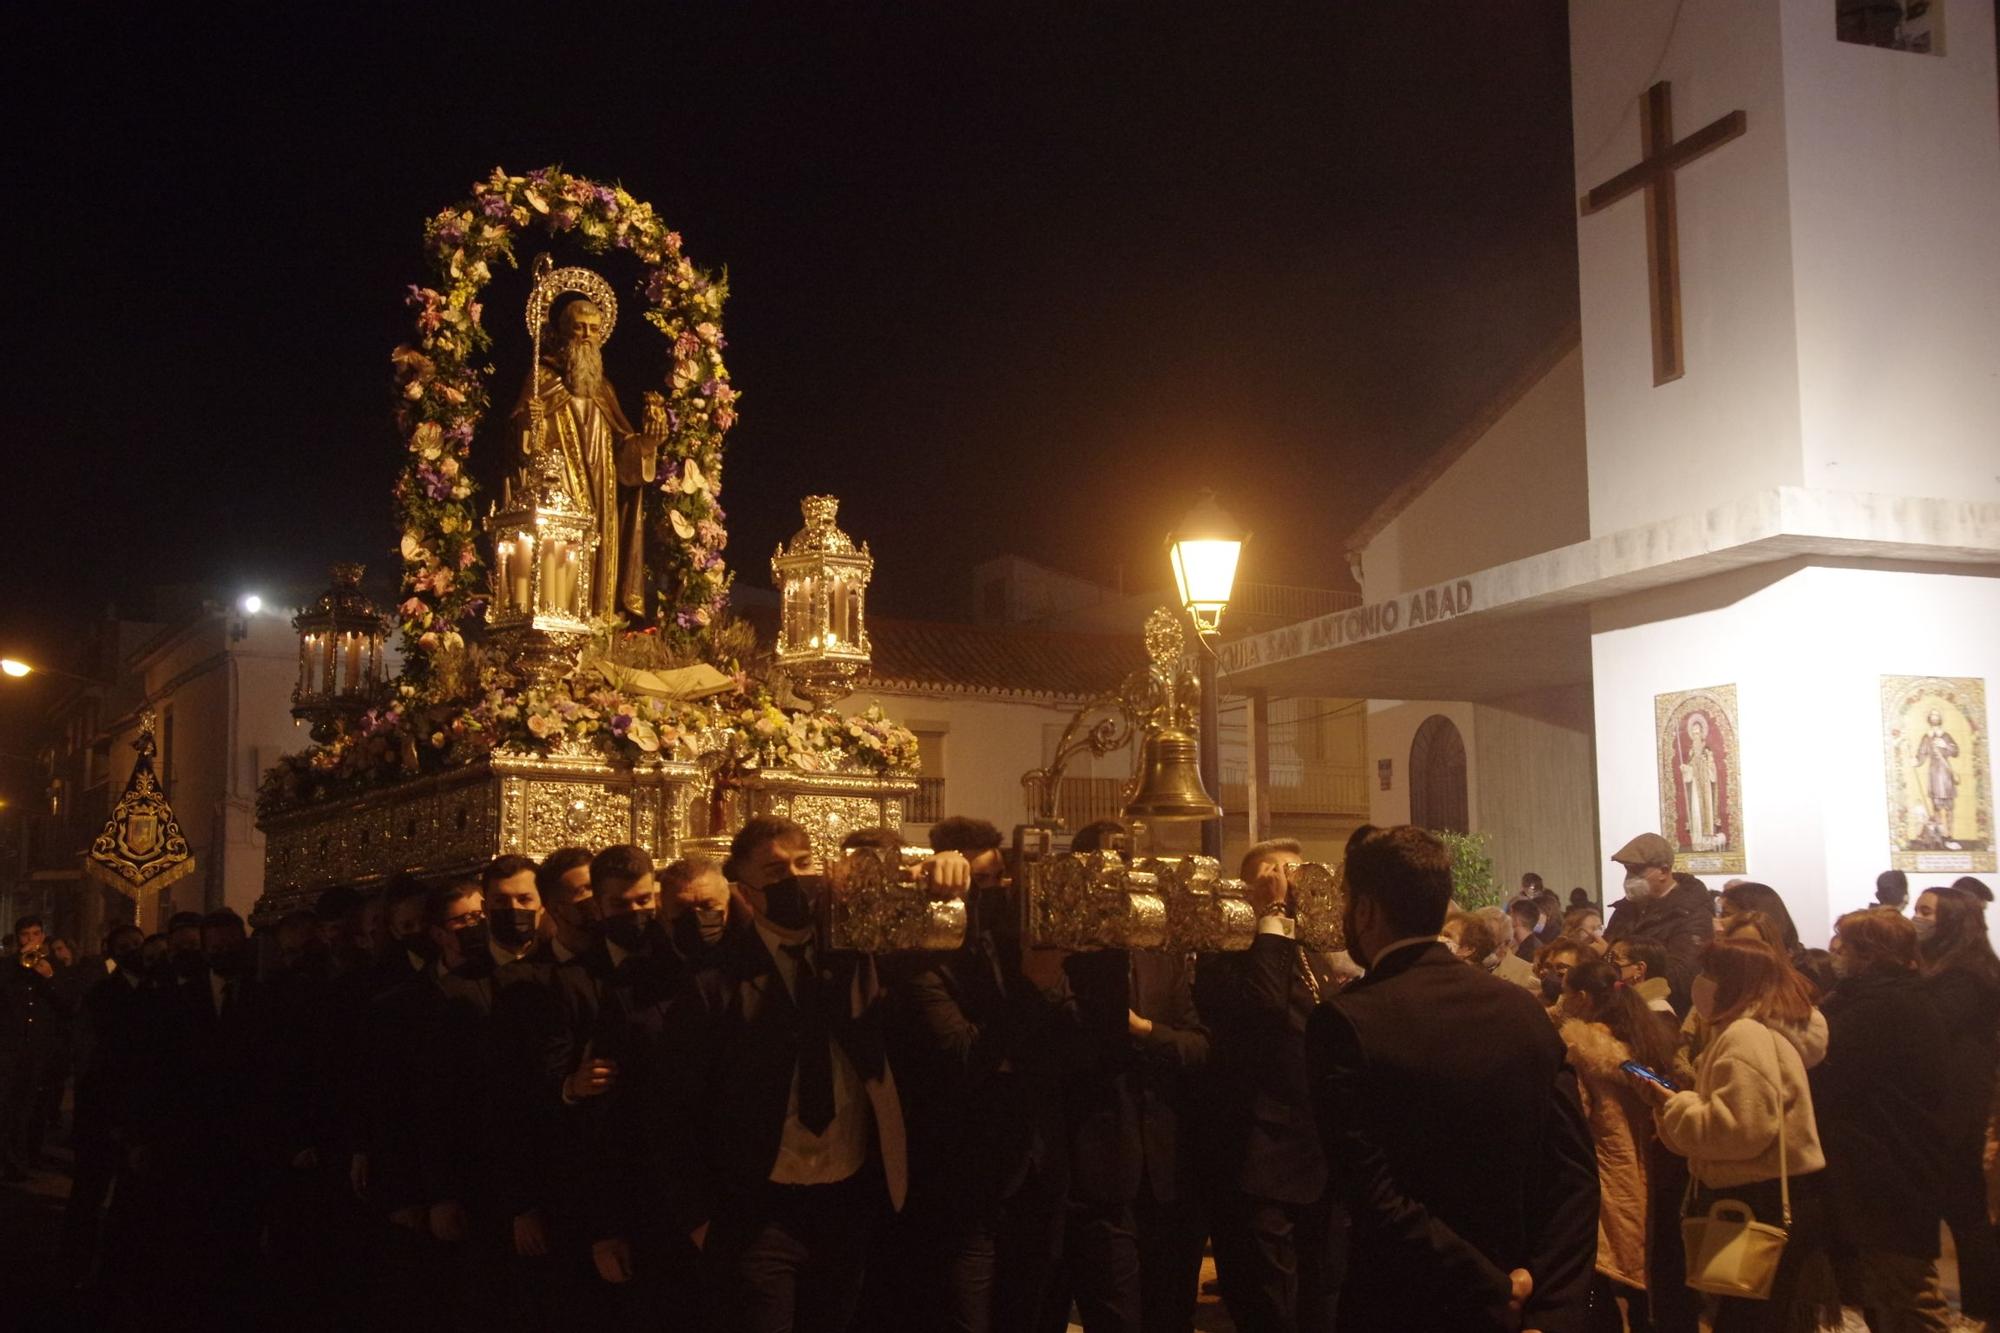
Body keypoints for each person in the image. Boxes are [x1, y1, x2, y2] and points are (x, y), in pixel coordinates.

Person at [1307, 825, 1597, 1332]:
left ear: (1367, 911)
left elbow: (1375, 1196)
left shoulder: (1347, 1022)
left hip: (1407, 1303)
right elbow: (1572, 1172)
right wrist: (1543, 1295)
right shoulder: (1521, 1010)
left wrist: (1491, 1286)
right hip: (1521, 1297)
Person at [657, 815, 906, 1332]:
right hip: (758, 1211)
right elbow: (673, 1109)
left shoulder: (854, 956)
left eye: (804, 862)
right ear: (745, 890)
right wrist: (699, 1219)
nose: (795, 878)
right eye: (774, 870)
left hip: (846, 1196)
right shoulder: (715, 984)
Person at [879, 815, 1068, 1333]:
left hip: (1034, 1165)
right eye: (978, 882)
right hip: (965, 1180)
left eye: (997, 879)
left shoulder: (1019, 943)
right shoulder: (924, 961)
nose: (994, 893)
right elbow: (966, 1057)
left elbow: (1060, 1039)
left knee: (1030, 1310)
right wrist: (1029, 996)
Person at [1646, 936, 1834, 1333]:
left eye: (1709, 972)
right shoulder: (1753, 1027)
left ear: (1732, 980)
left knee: (1747, 1320)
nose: (1699, 981)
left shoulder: (1744, 1034)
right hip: (1772, 1193)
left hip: (1754, 1197)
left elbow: (1740, 1129)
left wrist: (1675, 1106)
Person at [1195, 838, 1336, 1333]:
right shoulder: (1226, 956)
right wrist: (1271, 913)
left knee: (1321, 1304)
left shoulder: (1313, 951)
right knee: (1272, 1308)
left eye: (1295, 873)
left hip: (1320, 1156)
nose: (1288, 882)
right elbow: (1266, 1008)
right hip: (1262, 1161)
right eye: (1274, 874)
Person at [1813, 909, 1953, 1331]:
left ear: (1869, 953)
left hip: (1892, 1166)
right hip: (1874, 1164)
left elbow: (1832, 1068)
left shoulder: (1888, 1003)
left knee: (1907, 1292)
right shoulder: (1873, 996)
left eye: (1845, 942)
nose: (1836, 949)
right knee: (1882, 1289)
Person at [1556, 956, 1683, 1332]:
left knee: (1598, 1277)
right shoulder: (1643, 1040)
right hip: (1650, 1167)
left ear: (1580, 997)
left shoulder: (1581, 1049)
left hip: (1602, 1171)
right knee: (1645, 1276)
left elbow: (1576, 1114)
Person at [1915, 885, 2000, 1320]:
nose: (1917, 918)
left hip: (1956, 1107)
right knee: (1964, 1210)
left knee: (1966, 1212)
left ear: (1948, 921)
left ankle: (1983, 1305)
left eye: (1926, 912)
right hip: (1950, 1104)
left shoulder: (1965, 976)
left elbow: (1934, 1029)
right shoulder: (1953, 970)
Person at [1603, 833, 1712, 1014]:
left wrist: (1622, 961)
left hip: (1664, 1012)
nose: (1630, 878)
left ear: (1663, 871)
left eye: (1637, 871)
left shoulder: (1691, 913)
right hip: (1624, 1008)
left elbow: (1683, 977)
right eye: (1627, 870)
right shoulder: (1625, 910)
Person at [0, 915, 64, 1179]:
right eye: (25, 935)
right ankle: (9, 1161)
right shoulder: (5, 967)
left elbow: (67, 1005)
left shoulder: (55, 967)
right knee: (4, 1106)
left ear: (42, 937)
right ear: (18, 939)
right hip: (7, 1048)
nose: (30, 940)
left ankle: (23, 1159)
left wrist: (49, 976)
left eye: (35, 934)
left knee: (29, 1108)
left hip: (38, 1050)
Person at [1607, 938, 1677, 1017]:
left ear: (1639, 969)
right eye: (1609, 958)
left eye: (1615, 958)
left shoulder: (1658, 1011)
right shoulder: (1621, 1001)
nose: (1608, 964)